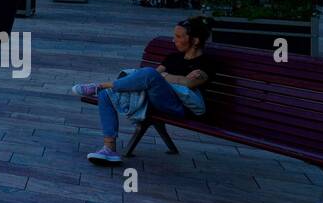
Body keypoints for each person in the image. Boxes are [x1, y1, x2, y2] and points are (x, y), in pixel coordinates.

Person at [71, 17, 216, 165]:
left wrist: (164, 76)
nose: (174, 40)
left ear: (196, 40)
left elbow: (189, 83)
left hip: (179, 108)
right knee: (105, 95)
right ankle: (109, 149)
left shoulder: (206, 63)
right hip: (154, 100)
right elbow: (154, 79)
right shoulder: (173, 58)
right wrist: (174, 78)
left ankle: (100, 85)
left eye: (178, 37)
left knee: (149, 73)